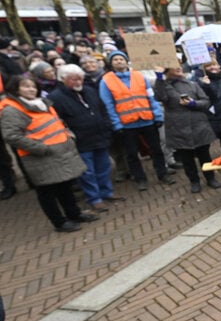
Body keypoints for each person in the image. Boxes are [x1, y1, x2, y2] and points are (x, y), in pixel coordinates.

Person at [0, 75, 99, 232]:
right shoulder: (12, 110)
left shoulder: (42, 103)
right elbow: (12, 136)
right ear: (15, 89)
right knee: (47, 191)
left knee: (65, 185)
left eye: (33, 86)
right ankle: (59, 222)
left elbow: (56, 122)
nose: (31, 89)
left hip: (60, 152)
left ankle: (74, 213)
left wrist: (67, 135)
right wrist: (41, 149)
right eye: (25, 86)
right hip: (40, 157)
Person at [98, 50, 175, 191]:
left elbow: (150, 97)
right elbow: (108, 105)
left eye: (121, 58)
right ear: (111, 63)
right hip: (126, 124)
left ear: (126, 61)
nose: (119, 61)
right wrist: (116, 124)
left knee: (156, 150)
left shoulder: (139, 76)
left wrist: (157, 115)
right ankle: (140, 179)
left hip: (146, 120)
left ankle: (162, 174)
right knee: (132, 154)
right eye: (115, 60)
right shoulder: (106, 81)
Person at [47, 64, 120, 212]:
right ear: (63, 79)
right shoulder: (55, 98)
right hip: (80, 141)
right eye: (74, 79)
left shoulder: (89, 91)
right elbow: (57, 121)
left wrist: (107, 126)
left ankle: (106, 192)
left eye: (80, 78)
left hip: (99, 136)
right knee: (87, 172)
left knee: (103, 167)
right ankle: (94, 198)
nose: (78, 82)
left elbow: (102, 109)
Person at [152, 65, 221, 194]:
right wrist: (159, 77)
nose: (178, 68)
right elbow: (160, 97)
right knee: (187, 158)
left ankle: (210, 178)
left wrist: (193, 104)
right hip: (179, 127)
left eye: (179, 66)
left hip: (199, 125)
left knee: (204, 155)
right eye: (174, 66)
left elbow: (206, 101)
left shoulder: (193, 84)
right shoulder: (164, 85)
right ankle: (194, 181)